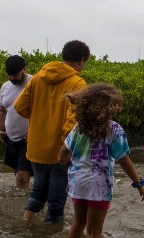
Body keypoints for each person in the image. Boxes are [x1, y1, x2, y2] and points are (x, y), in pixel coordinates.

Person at [58, 83, 144, 238]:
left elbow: (64, 151)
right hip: (99, 185)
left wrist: (62, 159)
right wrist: (138, 183)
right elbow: (123, 159)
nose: (118, 108)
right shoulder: (114, 129)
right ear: (105, 107)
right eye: (115, 105)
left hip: (78, 182)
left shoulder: (79, 127)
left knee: (78, 222)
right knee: (94, 232)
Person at [14, 40, 90, 225]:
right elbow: (73, 120)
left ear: (64, 56)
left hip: (36, 148)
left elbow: (20, 106)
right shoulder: (77, 83)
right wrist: (66, 147)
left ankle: (25, 225)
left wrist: (39, 119)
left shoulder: (39, 77)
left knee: (38, 192)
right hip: (58, 151)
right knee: (56, 204)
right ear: (81, 60)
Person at [0, 55, 33, 189]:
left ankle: (25, 208)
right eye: (9, 76)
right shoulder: (5, 87)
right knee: (18, 174)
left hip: (29, 138)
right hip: (10, 137)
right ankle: (23, 201)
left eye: (15, 75)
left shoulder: (34, 83)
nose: (12, 79)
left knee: (22, 176)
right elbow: (2, 109)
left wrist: (34, 132)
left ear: (24, 69)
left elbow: (44, 111)